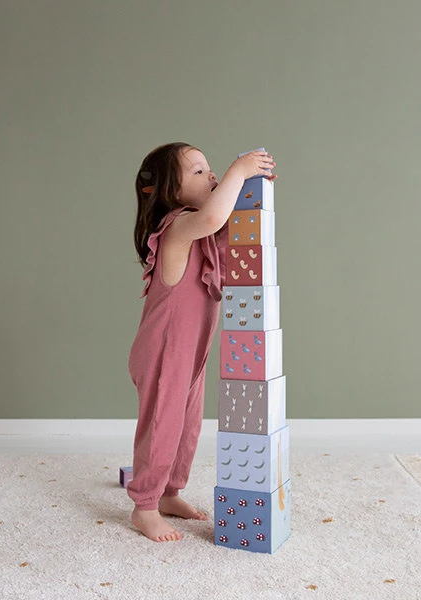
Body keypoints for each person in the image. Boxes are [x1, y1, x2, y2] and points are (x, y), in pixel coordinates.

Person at [127, 143, 277, 542]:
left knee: (188, 425)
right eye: (198, 171)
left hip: (191, 351)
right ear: (170, 193)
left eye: (210, 170)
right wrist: (237, 171)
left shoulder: (202, 236)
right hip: (164, 351)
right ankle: (144, 505)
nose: (211, 175)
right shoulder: (177, 228)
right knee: (163, 425)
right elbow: (213, 216)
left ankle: (169, 492)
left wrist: (251, 186)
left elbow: (224, 224)